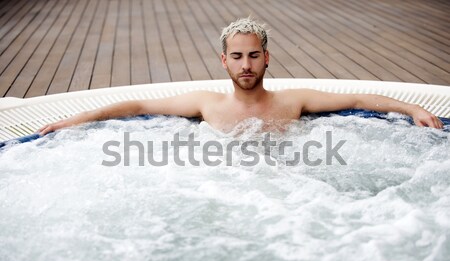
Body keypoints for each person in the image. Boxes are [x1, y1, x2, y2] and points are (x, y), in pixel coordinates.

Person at [38, 17, 443, 135]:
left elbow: (355, 101)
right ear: (224, 61)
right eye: (237, 56)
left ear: (267, 58)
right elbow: (138, 105)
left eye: (253, 55)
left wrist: (411, 108)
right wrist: (72, 121)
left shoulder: (294, 101)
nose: (245, 64)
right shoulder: (206, 105)